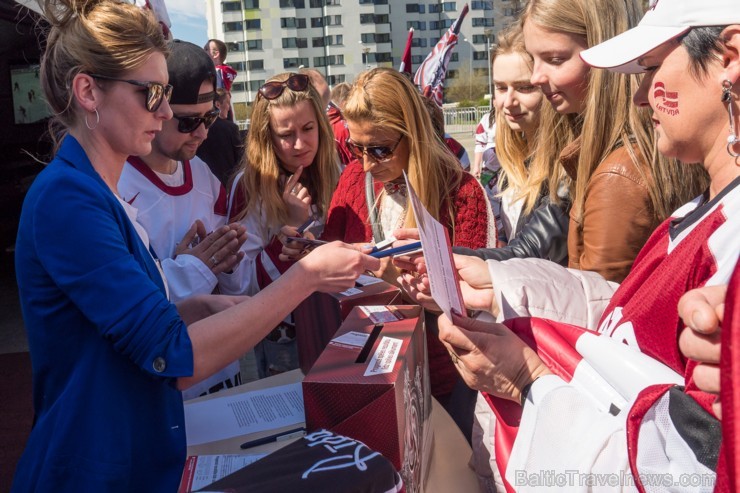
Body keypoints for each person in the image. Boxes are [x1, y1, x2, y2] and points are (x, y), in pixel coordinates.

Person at [11, 1, 378, 490]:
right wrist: (304, 277)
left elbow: (125, 332)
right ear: (87, 91)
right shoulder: (68, 199)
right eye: (152, 94)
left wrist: (193, 306)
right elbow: (171, 356)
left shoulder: (93, 191)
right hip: (95, 466)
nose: (164, 112)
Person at [400, 1, 739, 490]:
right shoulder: (698, 210)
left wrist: (528, 381)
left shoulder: (729, 241)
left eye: (649, 67)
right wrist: (497, 284)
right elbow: (623, 316)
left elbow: (678, 473)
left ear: (729, 57)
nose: (640, 96)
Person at [315, 67, 495, 403]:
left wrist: (402, 282)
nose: (367, 163)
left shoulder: (462, 193)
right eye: (356, 148)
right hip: (370, 363)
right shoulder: (353, 178)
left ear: (412, 133)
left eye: (380, 149)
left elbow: (473, 302)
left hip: (443, 375)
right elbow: (331, 248)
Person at [520, 0, 708, 283]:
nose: (535, 77)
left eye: (555, 59)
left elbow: (595, 308)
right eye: (532, 59)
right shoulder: (635, 154)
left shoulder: (617, 176)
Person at [118, 40, 245, 399]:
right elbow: (133, 306)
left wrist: (231, 262)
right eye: (189, 121)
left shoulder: (204, 175)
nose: (203, 133)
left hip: (220, 370)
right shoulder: (117, 184)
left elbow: (238, 290)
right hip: (166, 384)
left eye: (209, 118)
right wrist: (196, 268)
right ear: (156, 110)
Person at [220, 71, 340, 377]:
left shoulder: (338, 168)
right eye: (286, 135)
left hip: (343, 325)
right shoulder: (248, 187)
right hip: (284, 347)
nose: (300, 144)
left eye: (308, 128)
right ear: (266, 136)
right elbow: (238, 286)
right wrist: (291, 228)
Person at [453, 22, 570, 263]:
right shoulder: (503, 159)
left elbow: (527, 254)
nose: (508, 102)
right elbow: (508, 241)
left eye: (524, 87)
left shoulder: (568, 164)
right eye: (500, 88)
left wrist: (441, 253)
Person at [196, 88, 244, 186]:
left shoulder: (196, 126)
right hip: (227, 186)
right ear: (218, 104)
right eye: (228, 103)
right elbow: (240, 161)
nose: (229, 108)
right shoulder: (231, 128)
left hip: (202, 183)